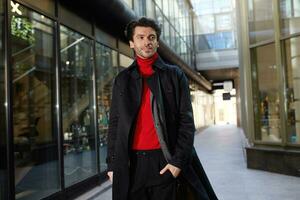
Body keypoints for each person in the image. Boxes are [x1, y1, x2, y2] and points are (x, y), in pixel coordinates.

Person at [106, 17, 218, 200]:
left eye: (151, 37)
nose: (147, 42)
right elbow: (115, 125)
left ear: (157, 42)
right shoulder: (122, 80)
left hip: (164, 161)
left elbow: (186, 122)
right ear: (132, 43)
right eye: (140, 37)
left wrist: (177, 163)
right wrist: (111, 165)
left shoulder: (174, 76)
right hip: (130, 165)